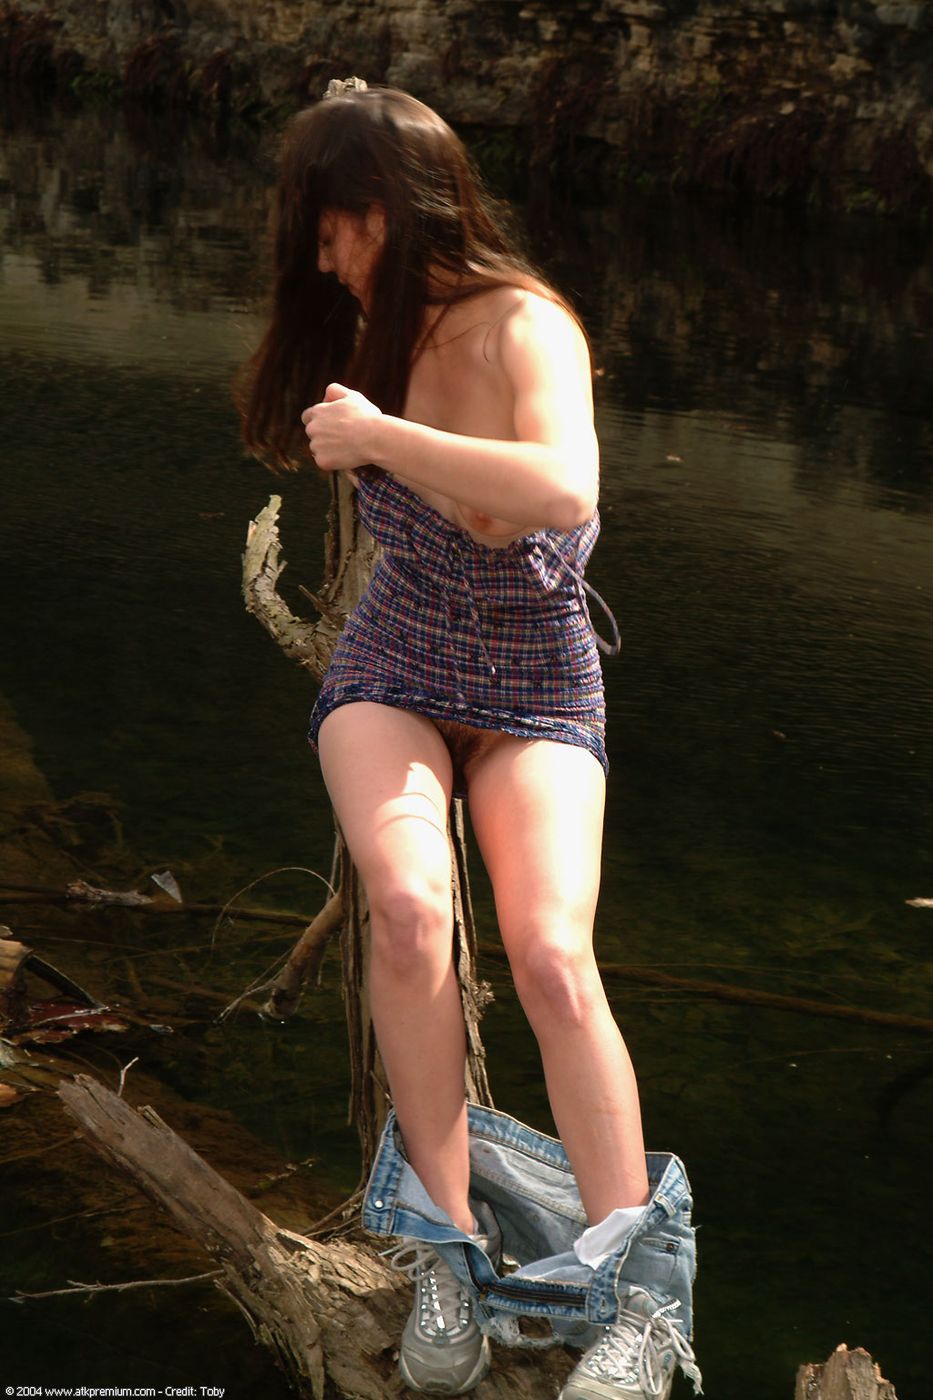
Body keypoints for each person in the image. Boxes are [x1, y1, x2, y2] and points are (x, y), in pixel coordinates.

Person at [239, 79, 699, 1400]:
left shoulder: (524, 323)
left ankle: (636, 1300)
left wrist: (385, 436)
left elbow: (563, 486)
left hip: (537, 676)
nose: (323, 258)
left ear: (387, 211)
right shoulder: (367, 329)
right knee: (404, 910)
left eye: (334, 228)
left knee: (551, 954)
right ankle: (443, 1251)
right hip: (396, 659)